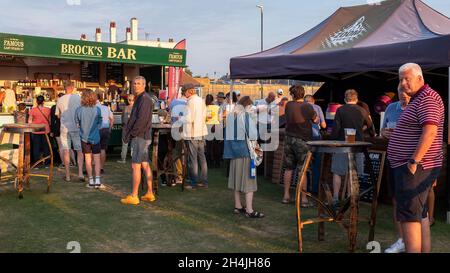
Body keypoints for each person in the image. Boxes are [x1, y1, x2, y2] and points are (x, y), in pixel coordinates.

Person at [387, 63, 444, 253]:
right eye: (400, 79)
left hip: (414, 167)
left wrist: (413, 161)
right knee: (420, 214)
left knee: (409, 215)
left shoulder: (427, 98)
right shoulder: (418, 99)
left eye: (407, 79)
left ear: (420, 78)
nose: (403, 83)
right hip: (411, 166)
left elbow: (430, 132)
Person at [330, 89, 375, 208]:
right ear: (356, 99)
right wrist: (362, 129)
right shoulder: (362, 110)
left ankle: (335, 198)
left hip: (342, 144)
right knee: (353, 173)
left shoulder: (340, 110)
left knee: (337, 172)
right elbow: (370, 125)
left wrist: (332, 139)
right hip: (358, 145)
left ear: (345, 99)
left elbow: (336, 128)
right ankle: (351, 198)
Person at [381, 87, 411, 253]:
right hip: (393, 159)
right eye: (401, 93)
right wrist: (384, 133)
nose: (404, 96)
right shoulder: (391, 108)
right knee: (396, 200)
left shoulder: (417, 107)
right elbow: (383, 130)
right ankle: (401, 240)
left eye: (407, 93)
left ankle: (413, 240)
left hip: (411, 162)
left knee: (411, 203)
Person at [224, 96, 264, 218]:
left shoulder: (231, 117)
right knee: (249, 182)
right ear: (247, 106)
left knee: (236, 181)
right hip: (246, 152)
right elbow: (253, 134)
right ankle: (249, 210)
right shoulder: (245, 116)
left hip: (233, 153)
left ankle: (238, 206)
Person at [121, 76, 155, 205]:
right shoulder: (140, 98)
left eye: (139, 83)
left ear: (144, 85)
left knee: (136, 165)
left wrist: (131, 134)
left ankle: (134, 195)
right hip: (142, 136)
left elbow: (141, 120)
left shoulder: (144, 99)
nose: (136, 85)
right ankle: (149, 193)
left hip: (140, 137)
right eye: (134, 83)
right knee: (144, 164)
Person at [281, 85, 316, 206]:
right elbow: (315, 119)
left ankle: (286, 196)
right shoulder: (307, 106)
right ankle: (304, 199)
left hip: (288, 139)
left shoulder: (289, 105)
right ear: (303, 94)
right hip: (302, 140)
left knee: (288, 168)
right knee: (303, 170)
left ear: (293, 94)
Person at [55, 81, 84, 182]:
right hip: (76, 127)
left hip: (64, 128)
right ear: (73, 87)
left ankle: (67, 175)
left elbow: (57, 115)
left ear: (64, 88)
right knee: (79, 150)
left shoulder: (60, 99)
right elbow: (82, 112)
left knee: (66, 150)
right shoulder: (78, 98)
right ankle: (80, 173)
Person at [181, 83, 208, 190]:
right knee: (202, 158)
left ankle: (193, 182)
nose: (184, 93)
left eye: (184, 91)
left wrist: (180, 118)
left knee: (193, 158)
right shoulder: (201, 100)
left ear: (189, 91)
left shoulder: (190, 102)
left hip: (192, 133)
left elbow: (189, 119)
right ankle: (204, 181)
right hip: (201, 131)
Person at [75, 90, 103, 189]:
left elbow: (77, 123)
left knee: (87, 159)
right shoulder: (97, 109)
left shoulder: (78, 110)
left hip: (84, 138)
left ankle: (91, 180)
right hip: (96, 137)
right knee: (97, 159)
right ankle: (98, 180)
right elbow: (100, 122)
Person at [169, 88, 188, 184]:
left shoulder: (173, 102)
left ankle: (178, 175)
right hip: (185, 131)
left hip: (174, 129)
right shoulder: (189, 103)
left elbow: (170, 115)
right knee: (182, 153)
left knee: (176, 152)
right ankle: (181, 175)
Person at [28, 95, 51, 166]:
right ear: (43, 101)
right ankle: (47, 163)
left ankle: (37, 163)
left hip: (36, 130)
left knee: (36, 147)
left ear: (37, 101)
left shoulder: (32, 110)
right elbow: (49, 121)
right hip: (46, 130)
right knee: (46, 147)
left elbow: (30, 121)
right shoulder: (48, 109)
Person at [96, 93, 114, 173]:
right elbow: (112, 119)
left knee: (94, 150)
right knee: (103, 149)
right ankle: (101, 168)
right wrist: (109, 129)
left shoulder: (92, 108)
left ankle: (94, 168)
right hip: (105, 129)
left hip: (96, 130)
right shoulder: (106, 107)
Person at [117, 94, 135, 163]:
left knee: (125, 144)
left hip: (126, 128)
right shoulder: (136, 108)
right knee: (133, 144)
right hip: (133, 128)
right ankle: (134, 159)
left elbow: (122, 119)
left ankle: (123, 159)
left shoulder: (125, 108)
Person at [205, 94, 221, 168]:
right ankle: (217, 163)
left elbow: (206, 118)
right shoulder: (217, 107)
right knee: (216, 146)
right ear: (212, 100)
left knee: (208, 146)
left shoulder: (205, 108)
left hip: (208, 127)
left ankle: (209, 163)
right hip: (216, 127)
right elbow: (220, 119)